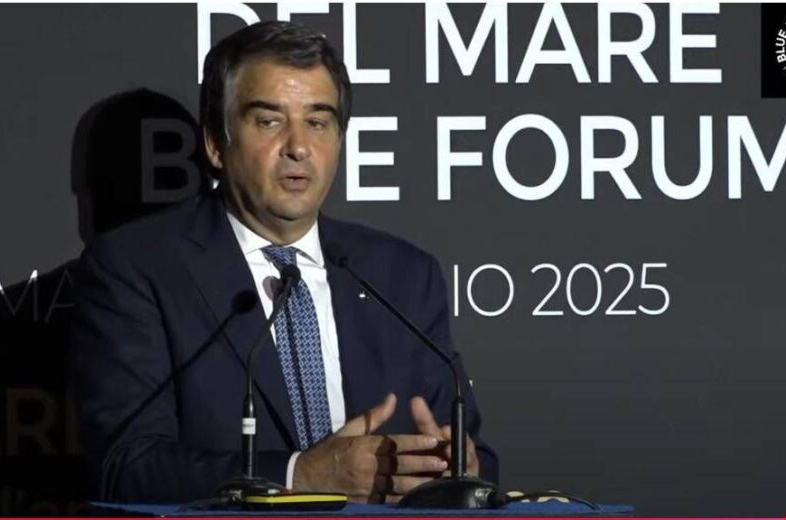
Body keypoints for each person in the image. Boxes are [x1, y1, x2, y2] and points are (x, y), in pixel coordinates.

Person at [69, 20, 498, 505]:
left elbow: (480, 461)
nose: (298, 147)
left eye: (318, 122)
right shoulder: (137, 269)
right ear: (215, 143)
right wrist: (303, 475)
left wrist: (457, 469)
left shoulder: (403, 276)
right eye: (269, 121)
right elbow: (125, 466)